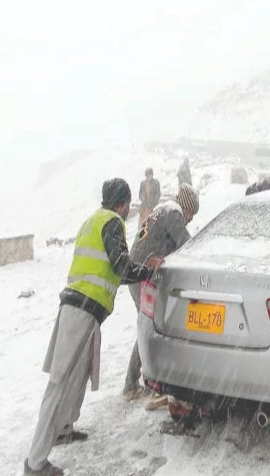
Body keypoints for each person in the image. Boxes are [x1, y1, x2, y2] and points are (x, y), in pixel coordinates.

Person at [24, 179, 163, 476]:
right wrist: (148, 270)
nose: (127, 211)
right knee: (60, 381)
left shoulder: (91, 221)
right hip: (81, 310)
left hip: (79, 308)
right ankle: (35, 462)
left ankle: (63, 428)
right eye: (127, 206)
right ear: (124, 203)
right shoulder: (112, 222)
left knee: (77, 375)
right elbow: (121, 267)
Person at [122, 183, 200, 403]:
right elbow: (187, 245)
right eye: (191, 213)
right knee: (148, 326)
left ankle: (141, 381)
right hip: (144, 275)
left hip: (136, 272)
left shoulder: (162, 210)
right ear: (185, 207)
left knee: (148, 325)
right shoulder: (173, 213)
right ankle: (133, 384)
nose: (191, 218)